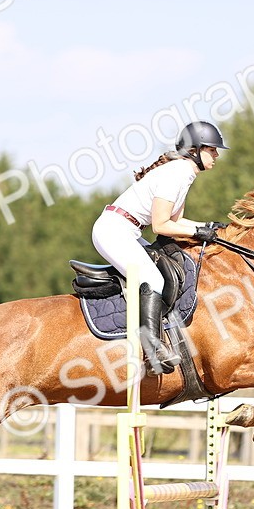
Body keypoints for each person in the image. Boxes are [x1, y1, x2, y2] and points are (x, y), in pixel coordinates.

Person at [91, 120, 229, 374]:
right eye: (212, 149)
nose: (216, 155)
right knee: (153, 279)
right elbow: (161, 226)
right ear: (195, 150)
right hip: (113, 230)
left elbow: (176, 221)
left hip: (126, 231)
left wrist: (208, 226)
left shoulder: (184, 174)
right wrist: (198, 232)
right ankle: (153, 349)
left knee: (163, 271)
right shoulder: (176, 174)